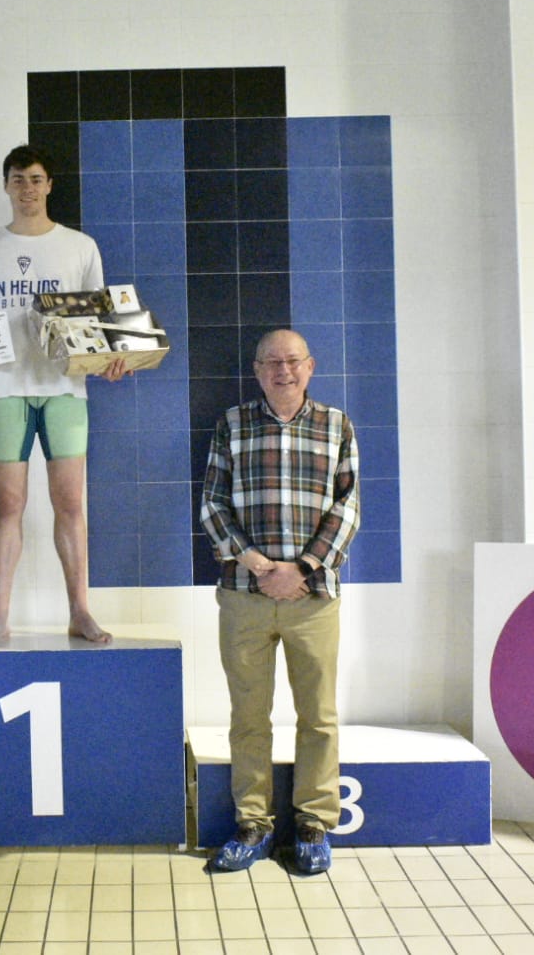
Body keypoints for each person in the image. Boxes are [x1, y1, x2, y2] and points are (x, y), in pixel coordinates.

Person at [0, 145, 126, 647]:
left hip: (64, 389)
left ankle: (80, 612)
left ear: (50, 185)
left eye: (35, 178)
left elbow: (102, 323)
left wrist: (111, 357)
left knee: (70, 502)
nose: (27, 188)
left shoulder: (79, 247)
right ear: (5, 186)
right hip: (5, 387)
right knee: (10, 503)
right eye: (17, 179)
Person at [199, 329, 360, 875]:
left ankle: (314, 824)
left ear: (310, 367)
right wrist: (260, 566)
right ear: (257, 369)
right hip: (245, 594)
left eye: (292, 361)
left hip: (313, 597)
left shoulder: (336, 425)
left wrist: (303, 568)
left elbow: (348, 506)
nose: (283, 370)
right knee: (248, 716)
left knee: (318, 716)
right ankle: (254, 825)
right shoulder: (233, 424)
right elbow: (213, 504)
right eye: (272, 362)